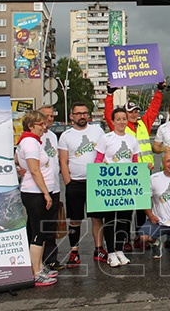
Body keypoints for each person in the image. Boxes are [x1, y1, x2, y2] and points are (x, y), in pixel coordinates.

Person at [105, 81, 164, 251]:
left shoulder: (144, 123)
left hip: (144, 174)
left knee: (142, 209)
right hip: (126, 175)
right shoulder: (120, 126)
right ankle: (124, 240)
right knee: (126, 209)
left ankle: (140, 236)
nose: (134, 114)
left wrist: (159, 91)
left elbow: (153, 108)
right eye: (130, 112)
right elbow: (109, 114)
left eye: (136, 111)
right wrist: (110, 95)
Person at [58, 103, 106, 267]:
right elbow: (63, 161)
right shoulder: (66, 136)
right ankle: (74, 251)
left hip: (95, 182)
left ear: (88, 115)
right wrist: (68, 183)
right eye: (78, 113)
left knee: (97, 218)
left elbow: (104, 153)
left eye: (84, 113)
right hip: (75, 183)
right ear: (72, 116)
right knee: (75, 220)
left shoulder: (97, 132)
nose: (82, 116)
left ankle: (99, 249)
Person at [94, 107, 142, 268]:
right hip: (110, 186)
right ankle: (111, 252)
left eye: (124, 118)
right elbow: (98, 160)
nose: (121, 122)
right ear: (113, 121)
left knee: (124, 219)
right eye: (118, 119)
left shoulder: (132, 140)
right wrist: (103, 166)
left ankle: (120, 249)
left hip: (126, 187)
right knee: (109, 220)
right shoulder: (106, 138)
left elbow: (134, 162)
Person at [16, 110, 59, 286]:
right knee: (38, 232)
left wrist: (20, 166)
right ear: (31, 125)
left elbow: (17, 159)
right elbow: (35, 170)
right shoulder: (30, 143)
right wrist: (46, 193)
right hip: (35, 193)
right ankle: (36, 272)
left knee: (40, 230)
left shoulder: (29, 141)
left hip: (36, 191)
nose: (44, 127)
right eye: (41, 124)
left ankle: (39, 266)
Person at [38, 105, 62, 271]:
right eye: (46, 116)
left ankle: (51, 258)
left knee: (51, 226)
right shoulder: (31, 137)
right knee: (36, 226)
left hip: (54, 187)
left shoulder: (53, 136)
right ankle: (35, 261)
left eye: (52, 116)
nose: (49, 119)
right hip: (38, 189)